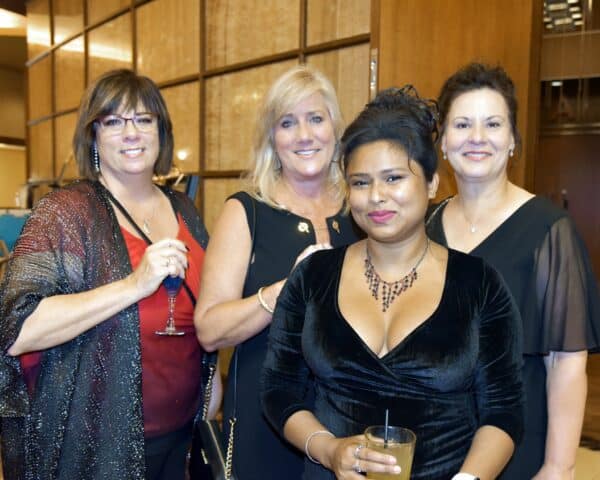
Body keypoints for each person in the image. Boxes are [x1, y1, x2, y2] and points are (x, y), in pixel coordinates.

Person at [260, 86, 524, 480]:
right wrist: (329, 449)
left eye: (394, 178)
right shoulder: (313, 276)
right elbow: (279, 388)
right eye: (361, 183)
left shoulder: (480, 285)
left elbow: (503, 409)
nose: (377, 197)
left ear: (432, 183)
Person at [0, 69, 219, 480]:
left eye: (143, 119)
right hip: (94, 448)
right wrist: (134, 285)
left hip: (180, 439)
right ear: (94, 136)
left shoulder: (185, 210)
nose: (131, 133)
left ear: (161, 130)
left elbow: (200, 312)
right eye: (114, 121)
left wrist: (211, 387)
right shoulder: (66, 212)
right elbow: (17, 329)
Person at [426, 62, 600, 479]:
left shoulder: (548, 229)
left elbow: (567, 362)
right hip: (431, 440)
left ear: (512, 141)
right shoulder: (425, 225)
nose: (478, 138)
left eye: (493, 124)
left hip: (516, 442)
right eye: (463, 124)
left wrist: (560, 466)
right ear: (444, 143)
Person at [194, 65, 363, 479]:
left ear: (335, 128)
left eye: (316, 119)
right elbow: (210, 329)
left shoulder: (362, 210)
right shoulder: (246, 211)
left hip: (350, 423)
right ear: (272, 137)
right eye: (288, 123)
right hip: (261, 421)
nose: (304, 135)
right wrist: (282, 292)